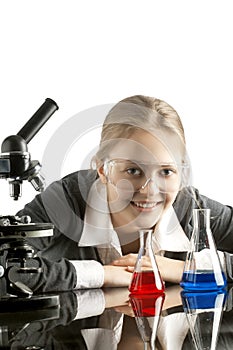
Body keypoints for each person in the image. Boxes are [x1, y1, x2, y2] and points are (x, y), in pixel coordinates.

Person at [5, 95, 233, 293]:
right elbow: (6, 266)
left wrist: (188, 270)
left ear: (181, 173)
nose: (149, 189)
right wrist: (102, 275)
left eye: (166, 171)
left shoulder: (192, 208)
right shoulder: (66, 200)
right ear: (103, 170)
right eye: (133, 171)